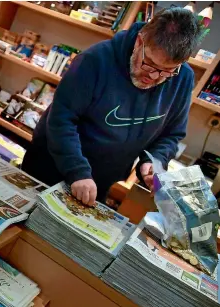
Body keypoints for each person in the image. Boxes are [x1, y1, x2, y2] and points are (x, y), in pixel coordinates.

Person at [21, 8, 202, 205]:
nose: (153, 77)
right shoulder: (95, 60)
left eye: (167, 71)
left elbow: (171, 134)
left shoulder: (183, 78)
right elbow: (61, 119)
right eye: (149, 63)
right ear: (140, 41)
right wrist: (77, 170)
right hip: (53, 163)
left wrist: (153, 160)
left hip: (101, 179)